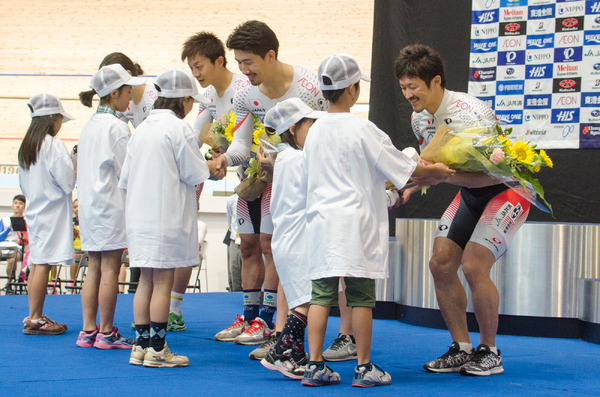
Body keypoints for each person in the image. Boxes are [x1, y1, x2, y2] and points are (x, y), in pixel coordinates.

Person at [301, 54, 454, 387]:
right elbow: (403, 167)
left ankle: (313, 365)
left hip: (321, 223)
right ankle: (363, 367)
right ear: (353, 89)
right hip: (356, 223)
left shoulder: (313, 132)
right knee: (360, 296)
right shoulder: (362, 128)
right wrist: (437, 171)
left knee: (320, 296)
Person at [393, 44, 531, 376]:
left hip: (506, 190)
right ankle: (462, 348)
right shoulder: (418, 118)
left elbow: (494, 172)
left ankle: (490, 350)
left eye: (414, 87)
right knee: (440, 263)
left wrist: (438, 178)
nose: (409, 94)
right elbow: (436, 164)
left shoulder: (472, 112)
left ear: (435, 81)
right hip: (469, 192)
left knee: (473, 265)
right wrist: (412, 184)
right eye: (403, 88)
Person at [210, 20, 328, 348]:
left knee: (275, 248)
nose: (243, 70)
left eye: (248, 62)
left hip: (296, 183)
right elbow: (239, 145)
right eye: (238, 63)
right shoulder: (246, 95)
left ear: (271, 56)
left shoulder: (309, 88)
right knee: (252, 244)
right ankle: (254, 319)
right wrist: (222, 160)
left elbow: (326, 138)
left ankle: (275, 323)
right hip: (259, 178)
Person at [120, 69, 210, 367]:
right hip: (166, 218)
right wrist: (214, 164)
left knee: (144, 280)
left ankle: (141, 346)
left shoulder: (142, 129)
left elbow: (125, 179)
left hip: (139, 218)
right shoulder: (179, 129)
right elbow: (195, 173)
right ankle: (158, 350)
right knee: (162, 282)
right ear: (183, 99)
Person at [162, 32, 248, 332]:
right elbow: (196, 135)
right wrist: (211, 160)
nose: (195, 74)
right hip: (244, 177)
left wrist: (221, 159)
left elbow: (252, 137)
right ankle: (252, 317)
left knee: (265, 246)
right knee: (249, 246)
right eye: (191, 68)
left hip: (265, 175)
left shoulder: (244, 88)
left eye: (199, 66)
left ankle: (266, 317)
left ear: (219, 61)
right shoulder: (210, 95)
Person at [76, 64, 145, 349]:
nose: (131, 97)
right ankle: (106, 332)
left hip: (91, 207)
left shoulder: (90, 124)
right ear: (115, 93)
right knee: (109, 268)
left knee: (94, 267)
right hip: (110, 207)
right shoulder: (116, 128)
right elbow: (127, 170)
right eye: (128, 91)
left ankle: (88, 330)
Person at [259, 98, 324, 379]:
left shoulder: (283, 157)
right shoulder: (298, 158)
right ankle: (280, 353)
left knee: (302, 296)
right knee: (307, 300)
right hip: (298, 240)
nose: (316, 129)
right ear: (294, 127)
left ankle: (294, 352)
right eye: (312, 124)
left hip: (287, 239)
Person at [17, 93, 76, 334]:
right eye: (60, 118)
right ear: (51, 118)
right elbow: (67, 182)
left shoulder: (27, 146)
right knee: (42, 264)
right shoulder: (53, 145)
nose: (61, 124)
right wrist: (75, 163)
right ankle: (34, 318)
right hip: (51, 213)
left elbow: (24, 186)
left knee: (37, 262)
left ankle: (35, 314)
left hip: (36, 210)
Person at [1, 194, 28, 283]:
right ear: (12, 206)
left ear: (24, 206)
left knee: (12, 258)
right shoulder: (5, 220)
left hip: (17, 247)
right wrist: (9, 228)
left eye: (20, 203)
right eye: (15, 203)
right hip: (3, 245)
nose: (17, 205)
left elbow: (26, 240)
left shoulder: (26, 221)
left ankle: (10, 282)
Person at [224, 192, 242, 292]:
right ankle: (235, 292)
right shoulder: (232, 200)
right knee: (234, 269)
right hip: (235, 238)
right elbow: (230, 219)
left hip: (253, 239)